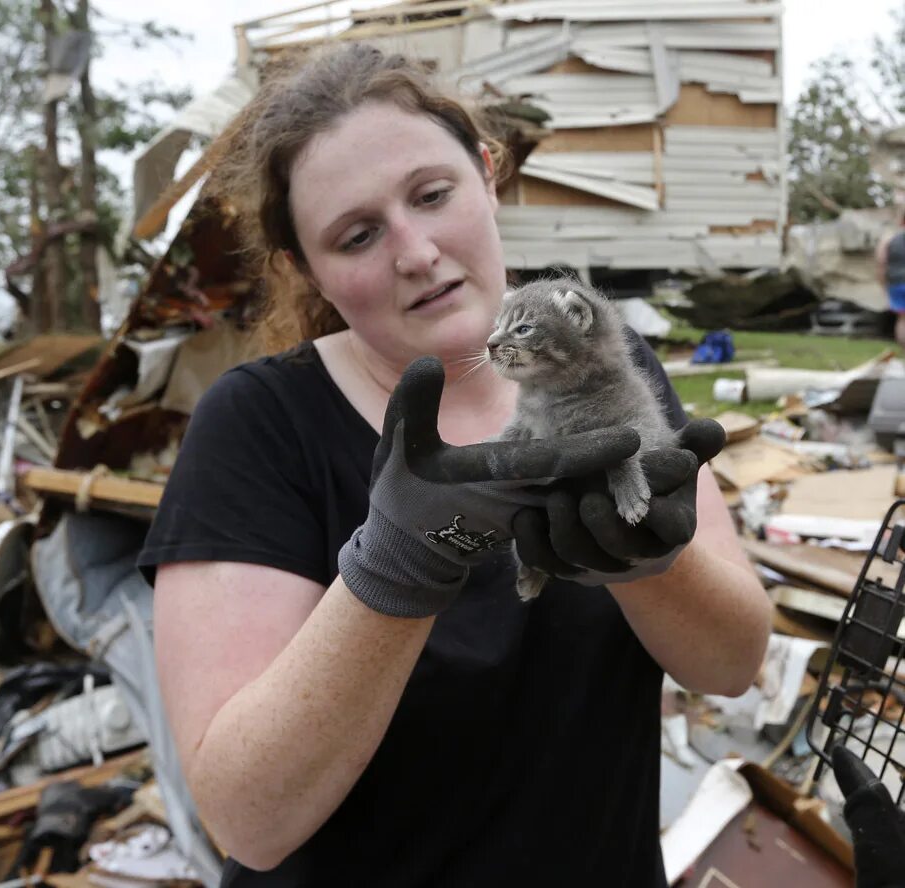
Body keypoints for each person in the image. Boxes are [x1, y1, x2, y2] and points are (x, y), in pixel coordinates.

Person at [138, 44, 771, 886]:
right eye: (356, 235)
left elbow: (730, 666)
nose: (415, 250)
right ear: (302, 269)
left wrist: (650, 562)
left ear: (486, 172)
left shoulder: (603, 363)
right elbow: (248, 820)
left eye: (432, 195)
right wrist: (399, 565)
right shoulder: (256, 426)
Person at [875, 209, 905, 346]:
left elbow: (881, 263)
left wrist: (883, 285)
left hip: (896, 283)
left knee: (902, 319)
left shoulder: (889, 240)